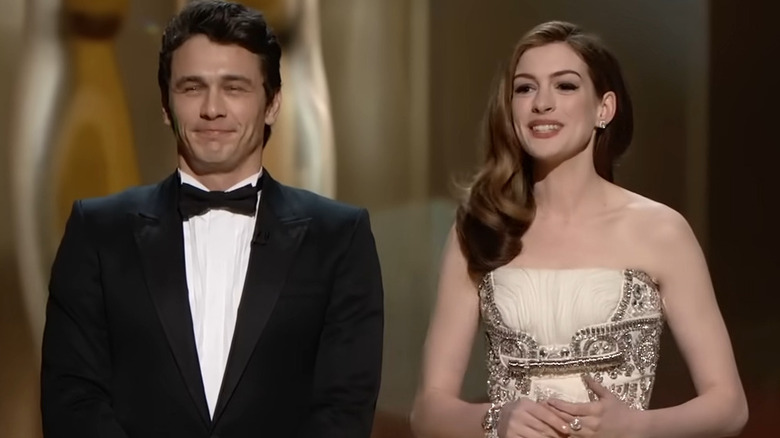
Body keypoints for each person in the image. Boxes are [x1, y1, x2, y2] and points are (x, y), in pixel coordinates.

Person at [40, 1, 384, 437]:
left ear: (273, 102)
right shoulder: (97, 232)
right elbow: (73, 400)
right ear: (167, 104)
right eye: (192, 87)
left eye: (234, 87)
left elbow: (344, 409)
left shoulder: (339, 237)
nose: (212, 109)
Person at [410, 21, 747, 438]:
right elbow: (427, 411)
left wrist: (640, 427)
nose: (542, 103)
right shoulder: (481, 228)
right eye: (525, 88)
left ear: (604, 108)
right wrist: (495, 419)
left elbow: (729, 405)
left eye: (565, 86)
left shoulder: (661, 231)